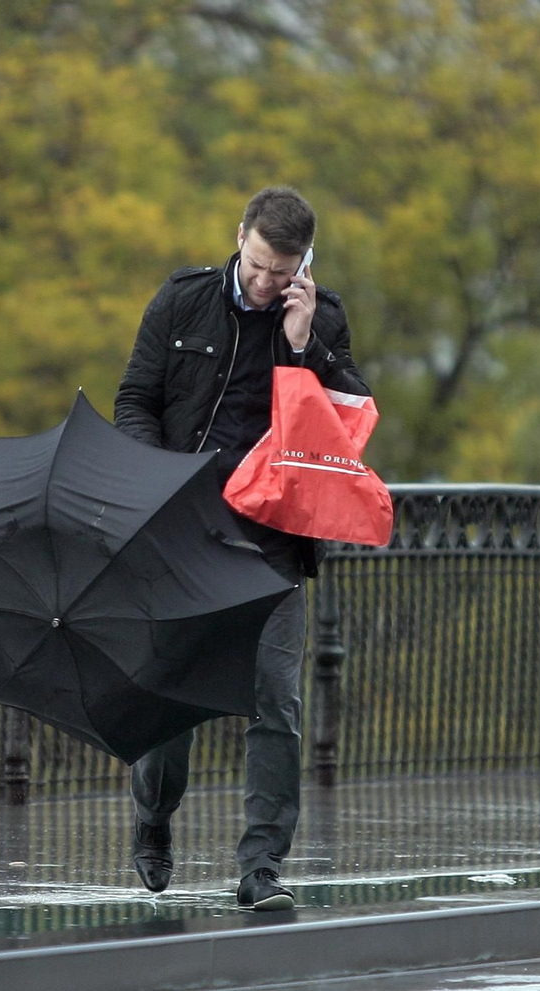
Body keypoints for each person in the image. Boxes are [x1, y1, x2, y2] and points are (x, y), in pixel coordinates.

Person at [113, 186, 369, 910]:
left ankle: (261, 867)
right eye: (257, 265)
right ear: (240, 238)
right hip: (185, 530)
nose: (264, 283)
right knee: (172, 696)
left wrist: (303, 346)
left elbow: (348, 421)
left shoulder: (322, 319)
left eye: (280, 272)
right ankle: (154, 815)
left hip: (273, 541)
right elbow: (135, 398)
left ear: (304, 265)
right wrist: (158, 475)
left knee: (273, 703)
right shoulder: (182, 300)